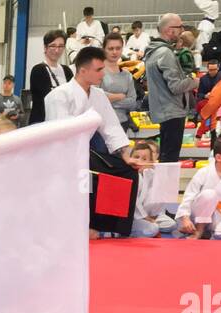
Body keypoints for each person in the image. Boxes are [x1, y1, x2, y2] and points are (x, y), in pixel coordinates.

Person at [46, 45, 150, 238]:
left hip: (84, 153)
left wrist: (126, 157)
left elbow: (111, 128)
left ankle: (114, 226)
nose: (103, 74)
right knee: (88, 176)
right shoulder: (59, 95)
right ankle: (85, 224)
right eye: (99, 70)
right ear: (83, 71)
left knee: (126, 171)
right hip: (61, 157)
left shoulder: (98, 95)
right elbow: (58, 134)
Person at [145, 13, 199, 162]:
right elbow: (175, 86)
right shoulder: (165, 53)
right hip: (172, 110)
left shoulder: (153, 51)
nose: (182, 30)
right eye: (180, 27)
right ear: (170, 30)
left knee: (166, 157)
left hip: (164, 109)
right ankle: (166, 185)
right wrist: (196, 82)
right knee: (170, 159)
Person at [177, 137, 221, 238]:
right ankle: (199, 230)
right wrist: (185, 218)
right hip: (199, 212)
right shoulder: (204, 172)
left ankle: (210, 232)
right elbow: (189, 196)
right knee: (210, 194)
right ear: (219, 157)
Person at [29, 29, 73, 124]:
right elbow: (47, 97)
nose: (57, 50)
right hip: (43, 123)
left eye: (61, 46)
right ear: (45, 48)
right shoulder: (38, 70)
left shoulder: (67, 71)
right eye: (53, 46)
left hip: (64, 122)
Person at [100, 35, 136, 132]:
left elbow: (132, 102)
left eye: (118, 48)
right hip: (102, 125)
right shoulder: (97, 72)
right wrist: (120, 96)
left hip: (123, 123)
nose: (114, 52)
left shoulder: (127, 75)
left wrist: (110, 99)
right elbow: (96, 98)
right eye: (111, 48)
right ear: (104, 49)